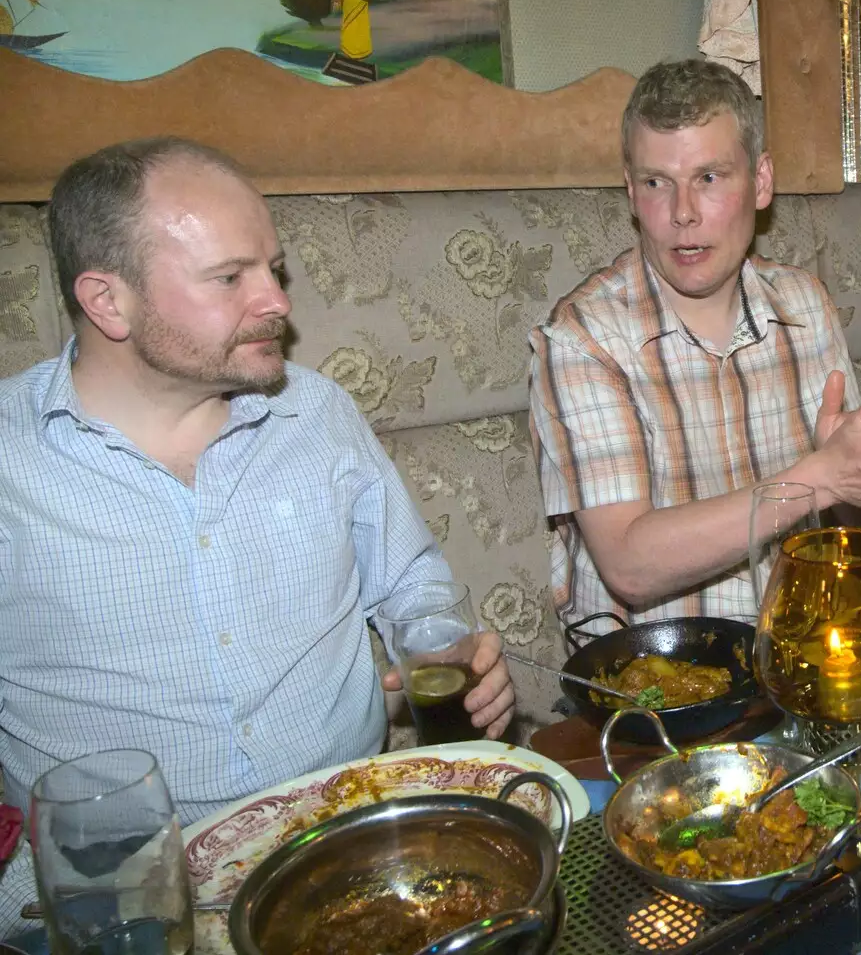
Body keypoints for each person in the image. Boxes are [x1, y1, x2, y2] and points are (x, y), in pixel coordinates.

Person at [0, 137, 514, 933]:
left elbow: (412, 581)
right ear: (108, 301)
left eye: (274, 269)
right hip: (127, 910)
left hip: (358, 849)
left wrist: (441, 646)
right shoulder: (10, 464)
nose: (275, 300)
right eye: (230, 276)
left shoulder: (317, 414)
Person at [529, 59, 861, 627]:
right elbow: (628, 564)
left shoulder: (804, 306)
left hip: (803, 648)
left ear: (761, 181)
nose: (683, 214)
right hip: (657, 687)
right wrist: (821, 476)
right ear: (630, 191)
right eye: (656, 183)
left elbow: (850, 525)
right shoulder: (583, 337)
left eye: (709, 177)